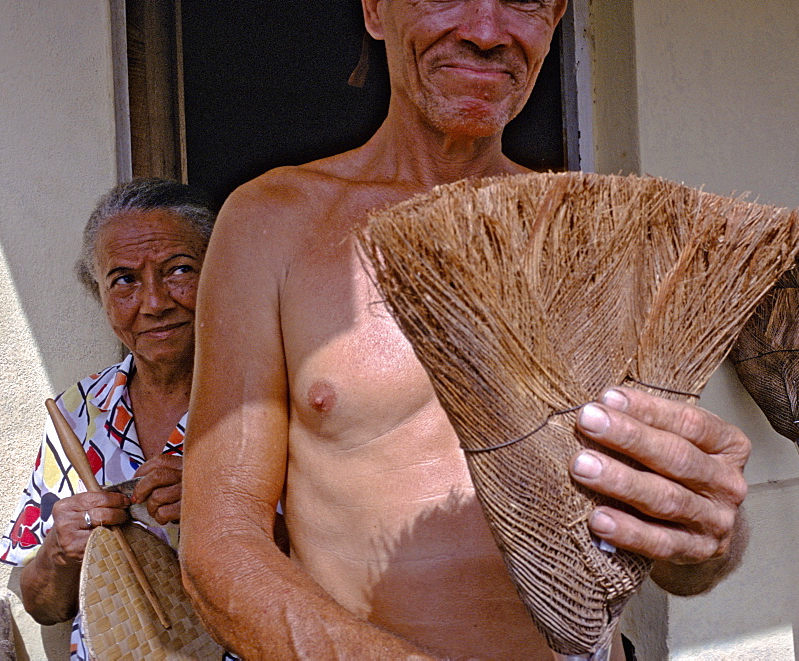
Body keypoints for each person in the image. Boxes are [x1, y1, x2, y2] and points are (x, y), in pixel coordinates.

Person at [182, 1, 750, 659]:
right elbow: (220, 543)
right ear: (373, 8)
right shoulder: (272, 224)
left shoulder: (597, 237)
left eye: (524, 2)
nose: (485, 31)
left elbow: (673, 539)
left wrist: (711, 531)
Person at [0, 178, 215, 660]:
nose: (154, 303)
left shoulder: (271, 400)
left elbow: (346, 575)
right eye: (125, 281)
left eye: (179, 270)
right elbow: (44, 607)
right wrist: (60, 550)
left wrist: (219, 509)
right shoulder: (79, 410)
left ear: (222, 273)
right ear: (98, 293)